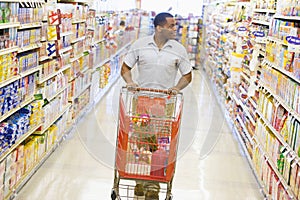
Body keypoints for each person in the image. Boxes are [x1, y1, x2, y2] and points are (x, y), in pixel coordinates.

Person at [120, 12, 192, 200]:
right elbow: (125, 68)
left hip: (164, 104)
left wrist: (176, 88)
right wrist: (130, 82)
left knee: (159, 145)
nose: (175, 29)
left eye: (175, 25)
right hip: (141, 103)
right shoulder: (140, 45)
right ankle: (139, 182)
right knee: (140, 144)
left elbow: (187, 75)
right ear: (159, 28)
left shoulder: (178, 49)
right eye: (171, 26)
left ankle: (153, 185)